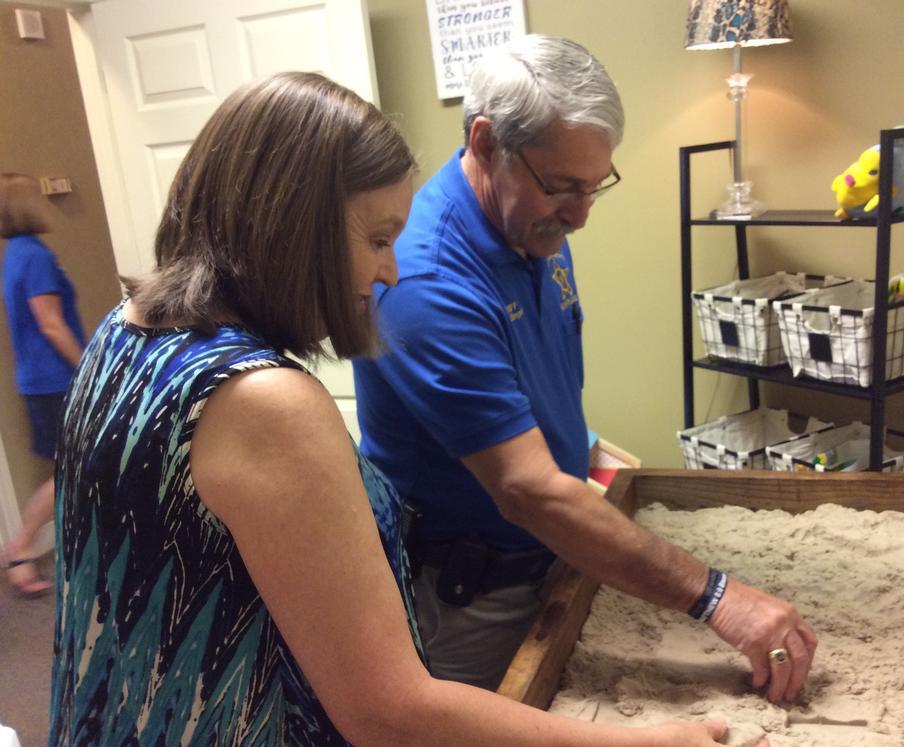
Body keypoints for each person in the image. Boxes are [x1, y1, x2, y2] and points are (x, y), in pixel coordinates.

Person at [49, 71, 755, 746]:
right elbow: (390, 712)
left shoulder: (125, 327)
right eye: (379, 239)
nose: (390, 269)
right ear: (293, 226)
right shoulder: (264, 401)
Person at [354, 34, 818, 699]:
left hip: (552, 554)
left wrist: (586, 449)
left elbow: (533, 380)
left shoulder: (532, 221)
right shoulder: (425, 279)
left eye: (596, 185)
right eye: (564, 186)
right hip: (470, 593)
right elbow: (527, 489)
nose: (582, 213)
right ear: (486, 144)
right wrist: (719, 596)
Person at [1, 173, 85, 597]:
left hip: (39, 380)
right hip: (56, 381)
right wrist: (88, 366)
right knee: (74, 470)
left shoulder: (16, 252)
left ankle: (25, 550)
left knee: (72, 469)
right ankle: (19, 549)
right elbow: (51, 324)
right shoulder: (34, 255)